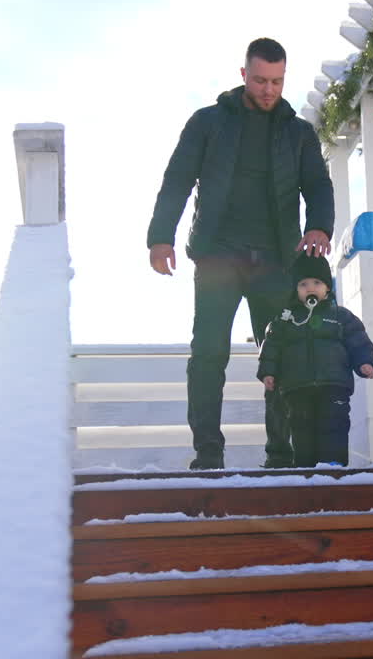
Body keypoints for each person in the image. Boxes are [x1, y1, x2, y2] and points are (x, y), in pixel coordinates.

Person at [147, 37, 334, 470]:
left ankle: (281, 455)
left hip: (275, 261)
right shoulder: (208, 123)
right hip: (216, 256)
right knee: (209, 353)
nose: (269, 89)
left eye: (277, 81)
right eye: (261, 79)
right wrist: (161, 237)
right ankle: (208, 454)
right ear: (243, 75)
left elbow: (318, 185)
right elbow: (176, 180)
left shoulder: (298, 133)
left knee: (282, 357)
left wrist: (320, 226)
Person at [257, 254, 373, 467]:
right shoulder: (286, 320)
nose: (310, 287)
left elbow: (358, 341)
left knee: (334, 427)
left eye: (317, 282)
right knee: (301, 429)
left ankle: (334, 470)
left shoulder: (341, 316)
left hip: (334, 386)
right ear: (295, 289)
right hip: (297, 388)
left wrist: (364, 362)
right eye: (303, 284)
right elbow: (272, 347)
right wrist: (269, 372)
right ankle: (305, 470)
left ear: (327, 288)